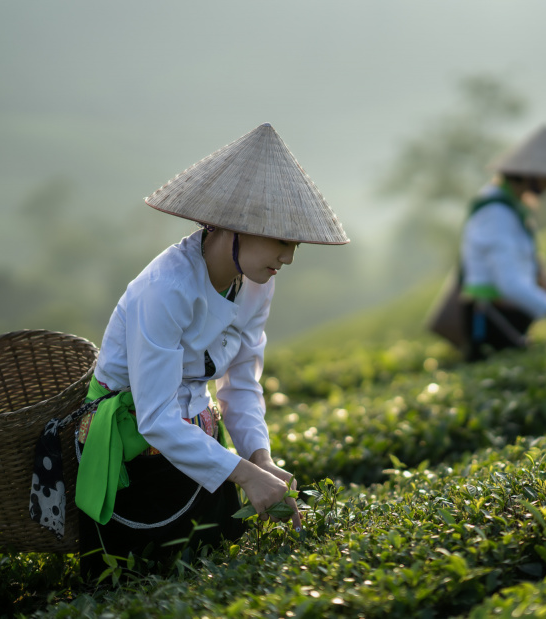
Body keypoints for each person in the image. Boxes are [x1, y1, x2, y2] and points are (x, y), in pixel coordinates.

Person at [72, 123, 349, 579]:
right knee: (144, 580)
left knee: (221, 565)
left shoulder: (257, 284)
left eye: (294, 244)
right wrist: (242, 475)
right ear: (233, 229)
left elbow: (241, 381)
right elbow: (156, 417)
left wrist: (260, 457)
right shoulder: (165, 290)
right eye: (282, 240)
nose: (289, 258)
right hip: (135, 456)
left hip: (203, 444)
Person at [459, 124, 546, 362]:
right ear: (527, 174)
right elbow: (509, 284)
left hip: (507, 315)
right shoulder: (496, 213)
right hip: (492, 320)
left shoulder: (512, 206)